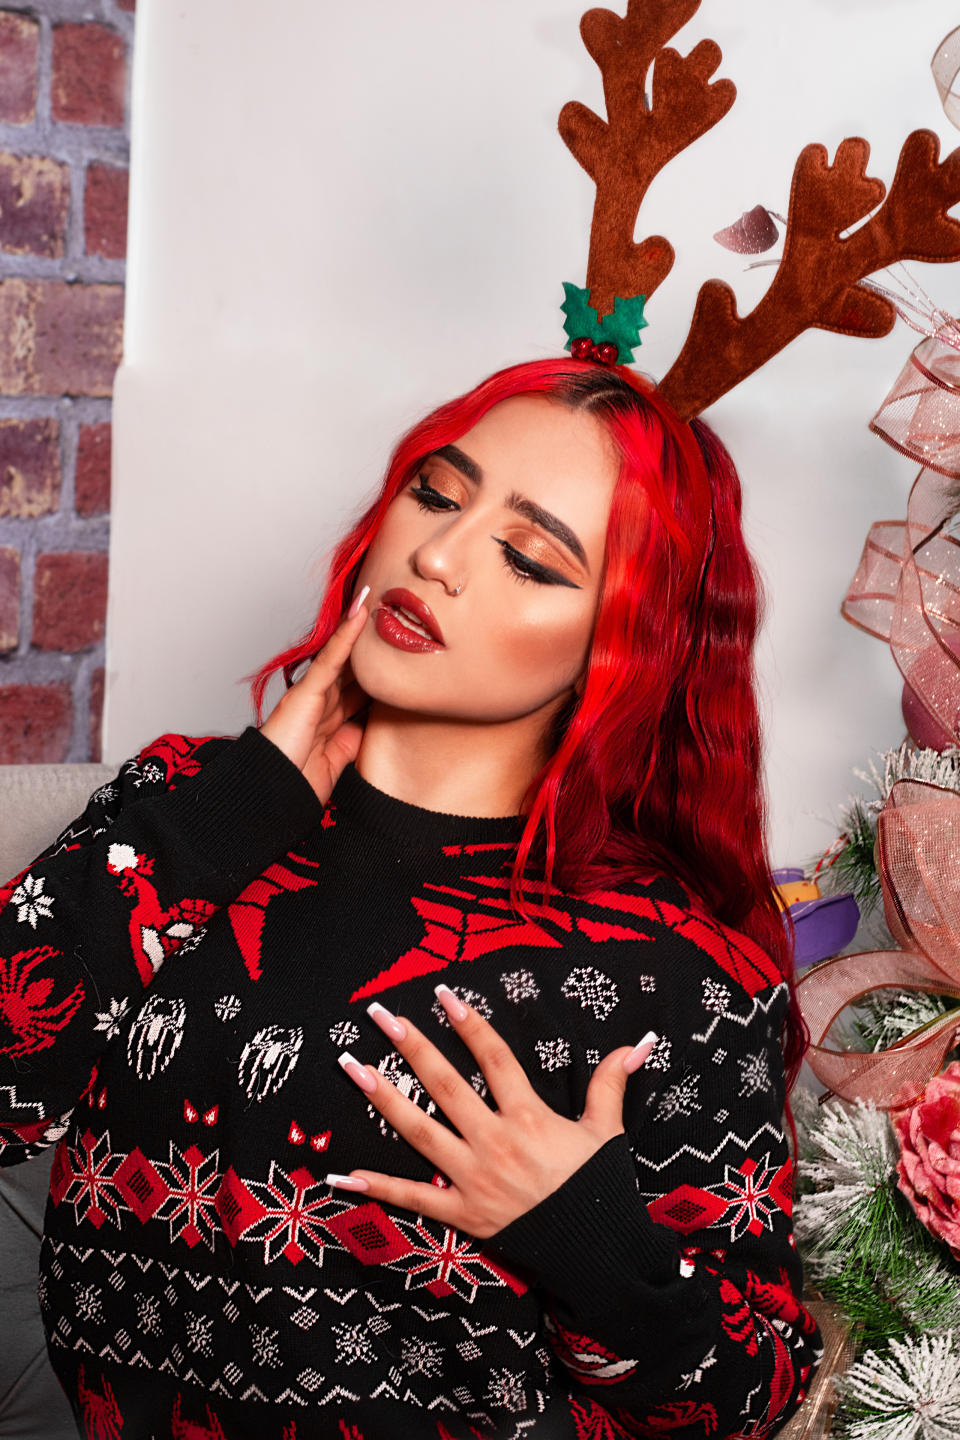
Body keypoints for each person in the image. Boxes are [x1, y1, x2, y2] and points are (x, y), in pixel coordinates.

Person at [0, 358, 822, 1440]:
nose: (436, 556)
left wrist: (589, 1240)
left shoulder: (669, 966)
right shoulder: (184, 803)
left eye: (529, 558)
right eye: (436, 493)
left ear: (625, 643)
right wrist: (228, 816)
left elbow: (747, 1400)